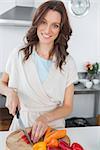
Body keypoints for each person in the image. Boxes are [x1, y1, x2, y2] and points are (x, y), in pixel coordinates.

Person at [0, 0, 78, 143]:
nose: (47, 30)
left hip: (52, 129)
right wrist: (10, 92)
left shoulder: (68, 63)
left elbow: (67, 107)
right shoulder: (19, 54)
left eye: (55, 25)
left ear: (61, 29)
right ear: (36, 22)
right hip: (22, 126)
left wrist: (45, 118)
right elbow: (2, 83)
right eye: (43, 22)